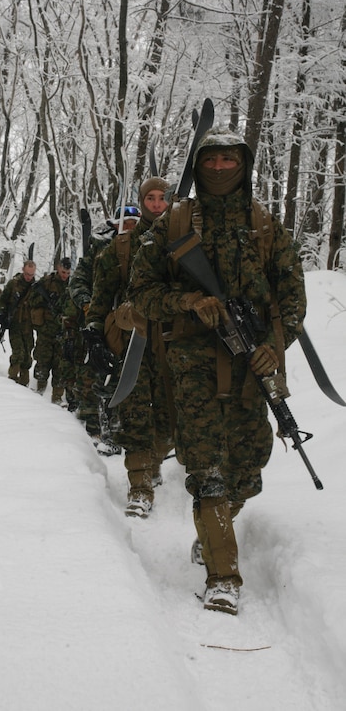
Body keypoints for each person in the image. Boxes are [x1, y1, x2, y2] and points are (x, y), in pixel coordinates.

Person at [128, 127, 306, 615]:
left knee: (248, 467)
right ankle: (223, 576)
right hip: (193, 368)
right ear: (199, 165)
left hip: (251, 366)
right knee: (208, 470)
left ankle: (214, 530)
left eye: (230, 160)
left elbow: (292, 297)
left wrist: (275, 344)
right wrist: (187, 301)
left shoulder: (265, 225)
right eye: (213, 161)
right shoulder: (174, 225)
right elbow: (140, 291)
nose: (221, 169)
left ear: (243, 165)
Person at [85, 179, 175, 517]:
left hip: (175, 345)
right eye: (149, 198)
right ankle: (139, 488)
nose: (156, 204)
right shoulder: (121, 248)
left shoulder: (186, 242)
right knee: (136, 416)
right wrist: (95, 332)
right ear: (141, 203)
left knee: (170, 419)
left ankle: (152, 462)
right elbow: (100, 295)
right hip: (133, 342)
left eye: (162, 198)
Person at [66, 208, 139, 453]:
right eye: (124, 222)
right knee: (94, 373)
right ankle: (92, 430)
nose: (128, 226)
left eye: (133, 222)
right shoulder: (99, 250)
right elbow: (77, 281)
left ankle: (124, 433)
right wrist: (88, 304)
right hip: (101, 321)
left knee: (130, 378)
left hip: (136, 324)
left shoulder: (148, 245)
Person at [29, 257, 72, 403]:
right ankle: (38, 395)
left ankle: (57, 399)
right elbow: (32, 300)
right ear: (58, 268)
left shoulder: (73, 285)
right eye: (63, 271)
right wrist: (46, 301)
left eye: (67, 272)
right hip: (46, 331)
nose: (65, 275)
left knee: (60, 366)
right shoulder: (46, 282)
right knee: (42, 361)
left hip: (63, 332)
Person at [0, 260, 36, 385]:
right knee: (18, 352)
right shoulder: (13, 284)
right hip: (15, 323)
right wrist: (2, 314)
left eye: (31, 275)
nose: (28, 277)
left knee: (27, 354)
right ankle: (12, 378)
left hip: (29, 325)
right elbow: (2, 301)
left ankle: (24, 382)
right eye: (27, 274)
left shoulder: (36, 287)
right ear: (23, 270)